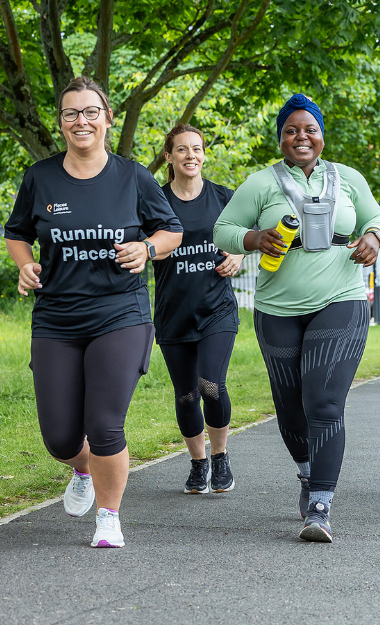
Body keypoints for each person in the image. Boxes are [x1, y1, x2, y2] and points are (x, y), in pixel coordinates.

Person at [4, 77, 183, 548]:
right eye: (70, 113)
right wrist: (25, 265)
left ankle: (109, 517)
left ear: (106, 118)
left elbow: (171, 230)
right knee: (61, 438)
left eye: (90, 112)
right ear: (61, 122)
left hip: (119, 313)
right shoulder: (40, 177)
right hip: (57, 317)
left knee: (105, 423)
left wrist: (146, 248)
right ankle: (81, 469)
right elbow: (17, 233)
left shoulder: (133, 177)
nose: (80, 121)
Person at [213, 93, 380, 542]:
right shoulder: (260, 183)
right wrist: (253, 237)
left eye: (310, 129)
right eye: (291, 130)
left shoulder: (348, 178)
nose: (301, 137)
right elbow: (222, 230)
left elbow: (376, 218)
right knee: (290, 409)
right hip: (276, 308)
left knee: (323, 403)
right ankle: (308, 474)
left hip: (342, 297)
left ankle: (321, 504)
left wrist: (372, 237)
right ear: (281, 139)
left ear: (322, 135)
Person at [153, 123, 243, 495]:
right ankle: (197, 462)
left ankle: (220, 456)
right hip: (174, 312)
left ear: (204, 154)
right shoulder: (155, 201)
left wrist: (238, 254)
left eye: (197, 148)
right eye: (182, 150)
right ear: (169, 157)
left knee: (211, 385)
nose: (191, 155)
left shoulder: (224, 197)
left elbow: (247, 233)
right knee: (186, 394)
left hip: (216, 309)